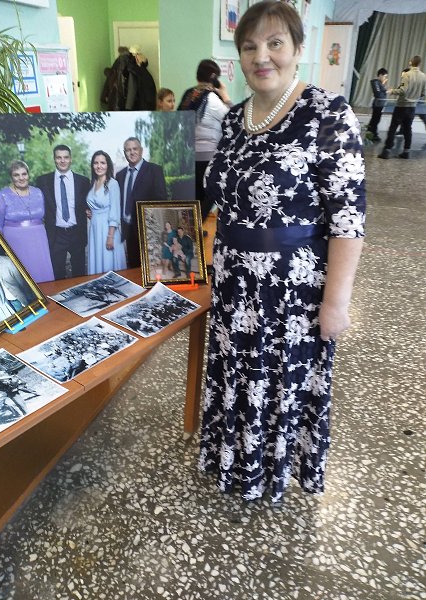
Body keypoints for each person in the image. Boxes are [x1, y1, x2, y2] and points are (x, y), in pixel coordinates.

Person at [198, 1, 366, 504]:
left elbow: (348, 219)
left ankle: (267, 473)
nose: (261, 56)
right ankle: (233, 460)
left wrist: (336, 302)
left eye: (275, 43)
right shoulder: (233, 118)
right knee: (237, 374)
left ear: (297, 48)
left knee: (277, 381)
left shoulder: (328, 113)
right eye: (250, 46)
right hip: (234, 282)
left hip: (292, 291)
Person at [178, 59, 232, 221]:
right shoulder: (212, 99)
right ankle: (195, 227)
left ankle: (191, 229)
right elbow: (234, 119)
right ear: (214, 78)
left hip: (188, 155)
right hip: (208, 156)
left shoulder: (189, 95)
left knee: (195, 197)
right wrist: (225, 96)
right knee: (211, 194)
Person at [0, 160, 54, 283]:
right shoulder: (3, 195)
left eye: (24, 174)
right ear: (11, 177)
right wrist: (3, 247)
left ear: (28, 175)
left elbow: (47, 216)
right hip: (15, 241)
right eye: (16, 175)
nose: (21, 178)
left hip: (39, 240)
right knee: (22, 276)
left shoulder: (38, 192)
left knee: (42, 272)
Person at [35, 145, 91, 279]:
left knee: (79, 272)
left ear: (71, 159)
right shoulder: (43, 181)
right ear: (54, 159)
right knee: (57, 273)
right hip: (56, 233)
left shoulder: (83, 181)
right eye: (59, 157)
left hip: (77, 232)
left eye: (66, 157)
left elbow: (89, 204)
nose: (62, 160)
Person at [116, 137, 167, 269]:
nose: (132, 152)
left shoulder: (154, 170)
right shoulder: (120, 175)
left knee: (150, 267)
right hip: (127, 228)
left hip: (147, 229)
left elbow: (161, 199)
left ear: (141, 150)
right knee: (133, 265)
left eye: (135, 149)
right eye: (128, 150)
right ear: (124, 153)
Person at [378, 55, 426, 160]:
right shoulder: (423, 76)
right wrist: (414, 96)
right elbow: (423, 93)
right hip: (412, 107)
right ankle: (406, 152)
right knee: (408, 129)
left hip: (401, 106)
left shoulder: (407, 74)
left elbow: (403, 90)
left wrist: (392, 91)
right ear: (419, 63)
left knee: (393, 128)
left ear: (411, 62)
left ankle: (386, 151)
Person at [86, 151, 126, 275]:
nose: (99, 166)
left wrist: (110, 237)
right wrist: (89, 211)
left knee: (108, 262)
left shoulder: (112, 184)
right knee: (97, 260)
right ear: (92, 165)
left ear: (108, 165)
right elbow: (94, 203)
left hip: (108, 230)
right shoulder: (93, 183)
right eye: (96, 163)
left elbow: (115, 211)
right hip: (94, 229)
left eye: (102, 163)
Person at [366, 68, 388, 141]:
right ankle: (373, 135)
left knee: (375, 120)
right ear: (380, 75)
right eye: (384, 76)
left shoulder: (380, 83)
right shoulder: (375, 82)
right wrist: (385, 90)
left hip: (381, 104)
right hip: (377, 104)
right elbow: (378, 94)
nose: (385, 78)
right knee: (375, 120)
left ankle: (370, 133)